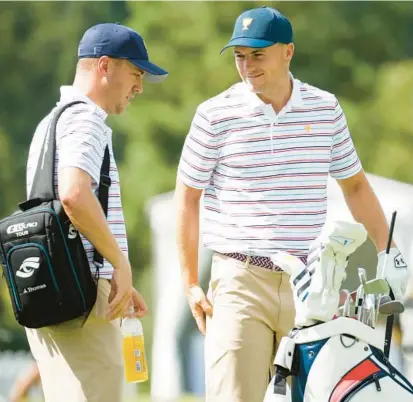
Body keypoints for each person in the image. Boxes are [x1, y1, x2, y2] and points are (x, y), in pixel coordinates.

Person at [175, 6, 409, 402]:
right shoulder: (214, 115)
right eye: (239, 56)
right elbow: (187, 198)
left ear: (288, 52)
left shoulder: (325, 108)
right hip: (239, 280)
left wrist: (390, 250)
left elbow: (355, 186)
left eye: (257, 55)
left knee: (315, 394)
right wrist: (190, 282)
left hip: (311, 284)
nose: (247, 66)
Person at [24, 23, 167, 402]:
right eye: (136, 73)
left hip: (54, 292)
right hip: (84, 299)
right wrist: (119, 263)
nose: (139, 86)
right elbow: (73, 194)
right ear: (104, 66)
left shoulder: (51, 122)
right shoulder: (86, 119)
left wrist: (115, 274)